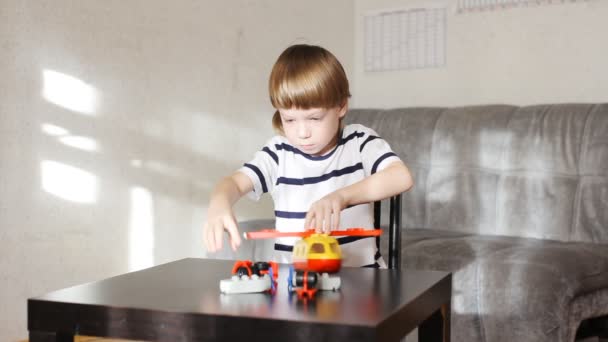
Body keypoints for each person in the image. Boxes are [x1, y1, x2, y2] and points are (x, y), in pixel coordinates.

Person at [203, 44, 413, 268]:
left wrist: (341, 197)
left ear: (341, 106)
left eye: (314, 118)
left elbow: (401, 177)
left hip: (362, 284)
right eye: (290, 120)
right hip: (293, 285)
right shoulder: (278, 153)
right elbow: (234, 182)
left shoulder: (359, 142)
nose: (302, 133)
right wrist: (219, 203)